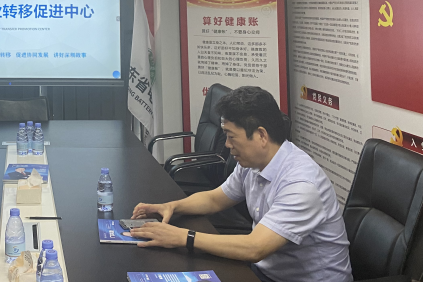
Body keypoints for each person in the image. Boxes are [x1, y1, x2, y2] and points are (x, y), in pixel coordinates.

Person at [129, 86, 352, 282]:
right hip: (262, 272)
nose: (227, 145)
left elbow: (255, 247)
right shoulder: (252, 163)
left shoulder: (301, 184)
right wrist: (172, 206)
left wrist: (182, 237)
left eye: (231, 136)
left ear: (261, 135)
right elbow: (215, 199)